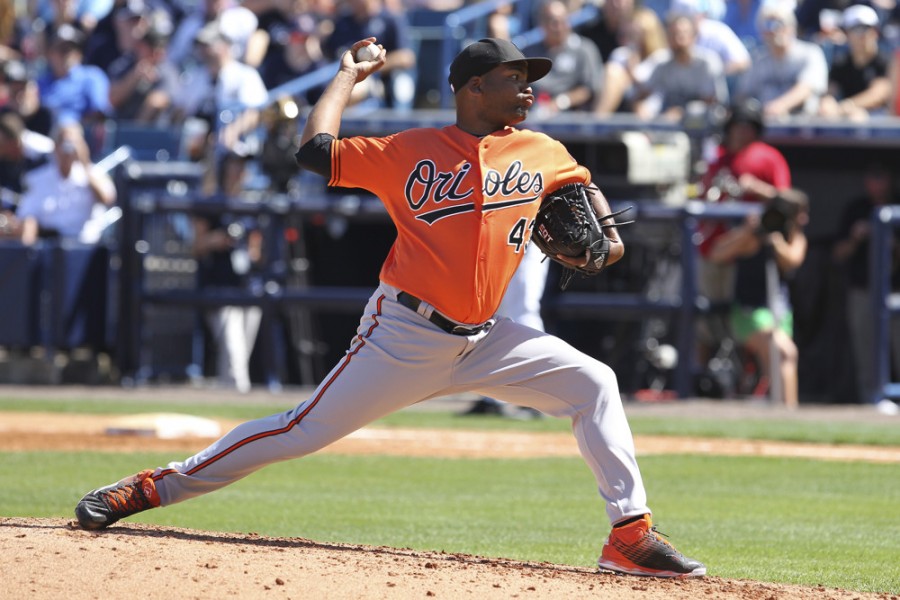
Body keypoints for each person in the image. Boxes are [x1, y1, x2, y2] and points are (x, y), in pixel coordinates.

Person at [73, 36, 706, 579]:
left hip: (488, 339)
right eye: (513, 80)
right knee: (298, 430)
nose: (528, 91)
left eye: (528, 80)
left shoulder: (539, 149)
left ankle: (628, 535)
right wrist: (347, 75)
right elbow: (315, 151)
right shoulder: (410, 149)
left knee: (595, 383)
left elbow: (581, 181)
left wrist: (609, 239)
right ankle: (150, 488)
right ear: (472, 89)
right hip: (404, 332)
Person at [707, 188, 809, 409]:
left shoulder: (793, 236)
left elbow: (792, 261)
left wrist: (777, 243)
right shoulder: (752, 235)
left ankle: (787, 412)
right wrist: (747, 231)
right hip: (750, 312)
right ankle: (786, 411)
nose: (805, 218)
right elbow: (717, 254)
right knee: (786, 352)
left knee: (779, 361)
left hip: (779, 309)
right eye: (800, 213)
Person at [832, 164, 900, 404]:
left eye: (882, 176)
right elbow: (837, 254)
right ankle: (871, 405)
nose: (877, 183)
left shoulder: (897, 207)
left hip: (895, 292)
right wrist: (855, 237)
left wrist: (891, 242)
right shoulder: (857, 209)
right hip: (862, 291)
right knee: (867, 354)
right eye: (873, 176)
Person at [15, 121, 116, 246]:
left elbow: (107, 198)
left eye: (75, 144)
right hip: (50, 245)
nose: (69, 149)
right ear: (56, 146)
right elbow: (28, 216)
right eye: (65, 143)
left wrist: (84, 164)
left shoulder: (94, 174)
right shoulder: (37, 178)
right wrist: (27, 249)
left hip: (84, 248)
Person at [734, 3, 828, 117]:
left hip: (803, 124)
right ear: (761, 31)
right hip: (764, 124)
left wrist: (780, 105)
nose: (775, 29)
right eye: (769, 24)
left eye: (780, 23)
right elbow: (743, 94)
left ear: (792, 27)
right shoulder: (758, 59)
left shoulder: (810, 53)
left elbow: (806, 88)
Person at [634, 12, 728, 121]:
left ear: (694, 36)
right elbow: (643, 93)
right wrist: (640, 107)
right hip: (667, 127)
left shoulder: (708, 63)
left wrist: (682, 112)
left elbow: (711, 103)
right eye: (673, 34)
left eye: (683, 34)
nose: (679, 40)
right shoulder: (662, 64)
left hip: (704, 127)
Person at [528, 0, 604, 114]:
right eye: (553, 21)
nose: (558, 26)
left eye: (563, 20)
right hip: (534, 113)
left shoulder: (584, 49)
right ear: (541, 24)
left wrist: (561, 102)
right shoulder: (529, 52)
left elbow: (589, 89)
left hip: (572, 117)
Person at [818, 4, 892, 120]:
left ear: (875, 32)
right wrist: (827, 103)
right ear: (847, 34)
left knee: (856, 117)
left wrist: (847, 106)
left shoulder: (885, 61)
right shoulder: (841, 62)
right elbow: (830, 91)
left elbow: (878, 95)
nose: (862, 35)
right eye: (856, 29)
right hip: (846, 115)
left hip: (881, 120)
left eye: (866, 29)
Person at [594, 6, 669, 115]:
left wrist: (632, 73)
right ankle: (597, 123)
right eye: (625, 34)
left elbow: (651, 91)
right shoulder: (621, 54)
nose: (627, 39)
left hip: (650, 108)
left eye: (633, 34)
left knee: (640, 104)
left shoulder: (661, 58)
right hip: (620, 105)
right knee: (612, 71)